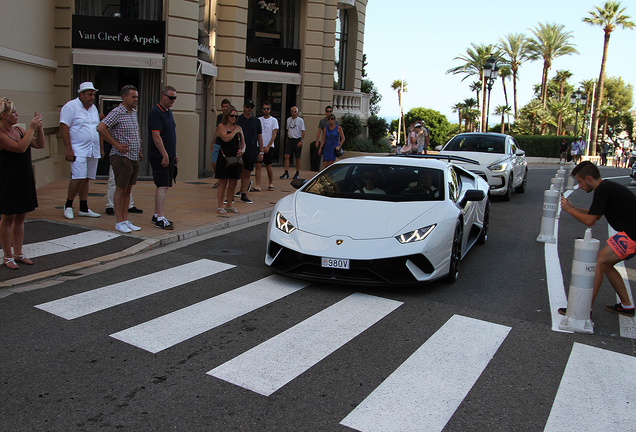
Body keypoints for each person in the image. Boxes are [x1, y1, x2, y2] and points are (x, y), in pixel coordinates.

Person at [560, 161, 636, 318]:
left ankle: (583, 308)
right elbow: (595, 212)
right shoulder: (606, 187)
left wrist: (568, 210)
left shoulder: (603, 189)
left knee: (598, 262)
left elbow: (590, 221)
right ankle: (627, 306)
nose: (579, 186)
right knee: (607, 265)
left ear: (588, 178)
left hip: (632, 233)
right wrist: (573, 208)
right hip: (631, 231)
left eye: (580, 182)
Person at [0, 98, 44, 269]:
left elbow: (39, 144)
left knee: (21, 216)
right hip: (8, 179)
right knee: (7, 217)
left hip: (23, 177)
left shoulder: (19, 130)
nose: (17, 114)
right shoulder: (1, 134)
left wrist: (39, 129)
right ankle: (7, 255)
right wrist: (31, 128)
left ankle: (18, 253)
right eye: (13, 112)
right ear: (3, 116)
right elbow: (20, 148)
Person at [97, 85, 143, 234]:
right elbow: (101, 128)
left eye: (136, 97)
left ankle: (125, 219)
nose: (136, 99)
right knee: (121, 188)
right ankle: (119, 221)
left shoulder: (133, 112)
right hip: (121, 157)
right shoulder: (117, 112)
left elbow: (136, 131)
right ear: (124, 97)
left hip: (133, 155)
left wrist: (139, 149)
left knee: (128, 189)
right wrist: (116, 144)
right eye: (133, 97)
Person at [59, 82, 102, 220]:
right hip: (78, 149)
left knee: (87, 178)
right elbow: (63, 127)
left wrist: (100, 148)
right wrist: (68, 148)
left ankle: (84, 207)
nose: (92, 97)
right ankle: (69, 204)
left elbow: (97, 128)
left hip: (92, 148)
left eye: (93, 94)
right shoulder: (70, 107)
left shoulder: (93, 108)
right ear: (81, 94)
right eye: (89, 94)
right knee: (78, 177)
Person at [148, 86, 178, 230]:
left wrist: (173, 154)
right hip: (160, 156)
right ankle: (160, 217)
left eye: (174, 98)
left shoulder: (168, 112)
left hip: (169, 155)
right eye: (170, 97)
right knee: (162, 185)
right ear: (163, 96)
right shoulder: (156, 112)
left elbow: (170, 133)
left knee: (164, 185)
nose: (173, 100)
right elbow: (156, 135)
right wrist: (165, 155)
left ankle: (156, 214)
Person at [215, 106, 244, 214]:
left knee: (233, 182)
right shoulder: (221, 126)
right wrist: (234, 131)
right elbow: (225, 138)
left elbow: (242, 142)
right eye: (232, 115)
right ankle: (220, 205)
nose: (234, 118)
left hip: (235, 158)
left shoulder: (239, 128)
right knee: (223, 181)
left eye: (236, 116)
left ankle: (229, 205)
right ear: (227, 116)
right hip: (224, 157)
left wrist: (242, 150)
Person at [236, 99, 263, 204]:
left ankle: (244, 194)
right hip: (239, 150)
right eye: (248, 106)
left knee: (247, 172)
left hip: (251, 150)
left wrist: (261, 151)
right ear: (244, 107)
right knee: (236, 173)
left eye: (251, 107)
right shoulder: (238, 120)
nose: (249, 109)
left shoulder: (256, 121)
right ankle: (232, 194)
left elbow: (259, 137)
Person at [257, 101, 278, 191]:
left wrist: (268, 146)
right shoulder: (258, 120)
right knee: (258, 165)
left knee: (268, 165)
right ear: (262, 109)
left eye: (267, 109)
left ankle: (271, 183)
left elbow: (274, 135)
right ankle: (258, 184)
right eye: (264, 108)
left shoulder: (273, 120)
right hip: (259, 145)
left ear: (270, 109)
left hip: (269, 146)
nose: (266, 110)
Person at [210, 98, 231, 189]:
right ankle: (219, 177)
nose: (225, 108)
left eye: (227, 106)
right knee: (214, 162)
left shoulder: (232, 117)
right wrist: (213, 142)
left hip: (227, 143)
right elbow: (217, 130)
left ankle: (224, 179)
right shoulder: (219, 117)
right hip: (218, 142)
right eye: (223, 106)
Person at [281, 106, 305, 180]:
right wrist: (287, 140)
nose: (293, 113)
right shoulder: (288, 120)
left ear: (297, 112)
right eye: (292, 111)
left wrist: (301, 140)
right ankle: (286, 172)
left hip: (297, 140)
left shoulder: (300, 120)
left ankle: (297, 173)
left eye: (295, 112)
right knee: (286, 156)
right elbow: (288, 130)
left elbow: (303, 131)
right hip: (290, 140)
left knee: (297, 158)